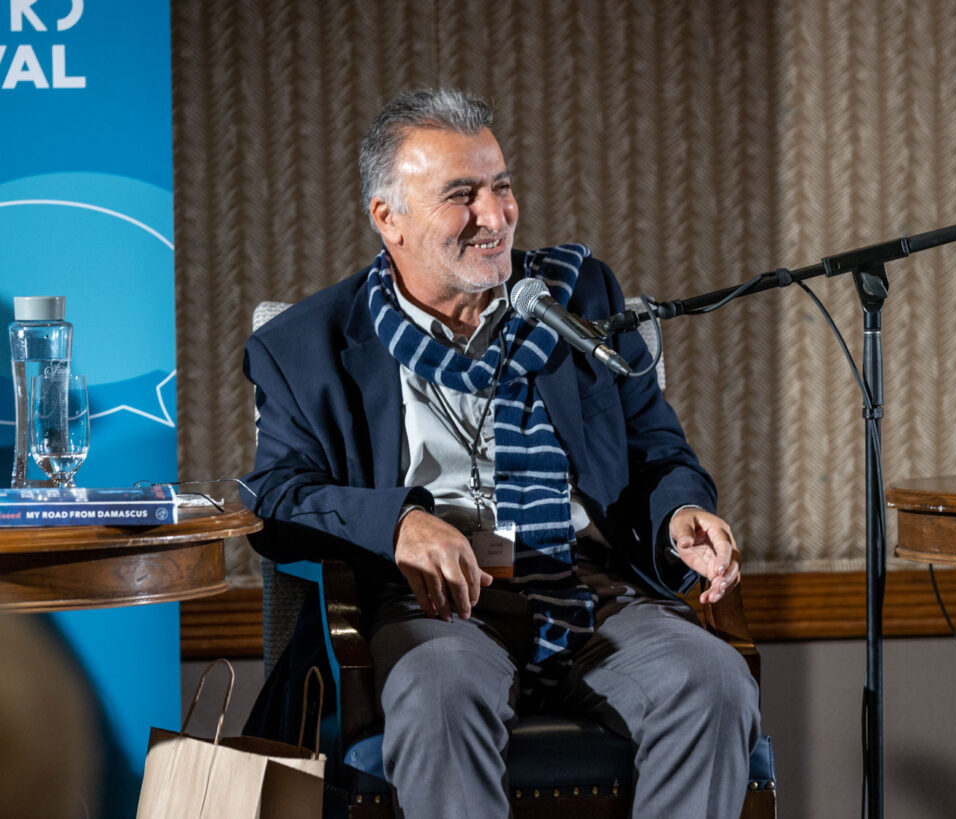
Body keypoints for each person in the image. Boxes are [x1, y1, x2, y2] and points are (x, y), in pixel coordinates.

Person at [242, 87, 760, 818]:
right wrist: (398, 524)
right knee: (439, 692)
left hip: (590, 586)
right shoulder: (305, 344)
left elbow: (657, 447)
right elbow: (276, 498)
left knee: (713, 680)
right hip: (435, 604)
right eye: (463, 195)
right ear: (388, 218)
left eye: (502, 187)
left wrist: (682, 511)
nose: (497, 216)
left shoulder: (578, 298)